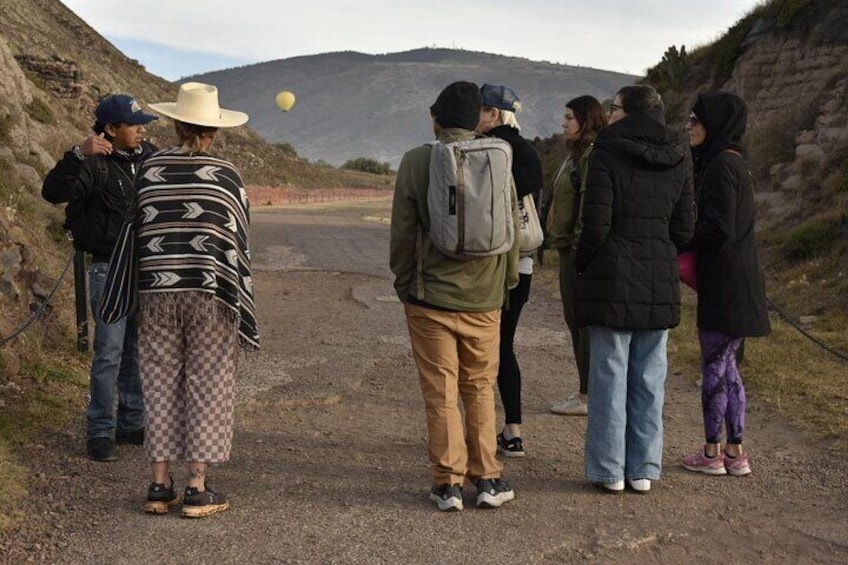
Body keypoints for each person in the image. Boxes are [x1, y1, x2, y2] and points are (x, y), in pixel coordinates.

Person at [130, 82, 259, 517]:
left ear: (174, 123)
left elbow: (137, 232)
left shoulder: (149, 169)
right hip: (210, 294)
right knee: (208, 383)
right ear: (213, 130)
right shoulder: (226, 175)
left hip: (156, 295)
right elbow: (238, 240)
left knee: (159, 383)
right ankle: (197, 488)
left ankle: (158, 486)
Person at [390, 81, 520, 512]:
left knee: (441, 390)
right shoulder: (500, 158)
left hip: (430, 299)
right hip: (485, 299)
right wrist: (504, 286)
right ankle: (488, 478)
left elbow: (403, 233)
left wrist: (405, 285)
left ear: (435, 120)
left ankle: (448, 484)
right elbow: (512, 230)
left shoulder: (416, 161)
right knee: (480, 387)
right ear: (478, 120)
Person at [576, 85, 694, 494]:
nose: (609, 115)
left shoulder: (606, 150)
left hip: (612, 272)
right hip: (659, 274)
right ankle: (643, 469)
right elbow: (684, 226)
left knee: (609, 376)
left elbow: (595, 223)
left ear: (628, 113)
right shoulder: (681, 152)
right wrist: (659, 253)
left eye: (613, 108)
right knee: (650, 378)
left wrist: (584, 264)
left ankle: (609, 470)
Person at [42, 94, 157, 462]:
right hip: (107, 268)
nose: (142, 129)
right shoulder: (93, 163)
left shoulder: (151, 158)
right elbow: (52, 192)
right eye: (134, 123)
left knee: (136, 350)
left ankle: (132, 423)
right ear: (110, 129)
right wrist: (77, 153)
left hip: (144, 269)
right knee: (108, 351)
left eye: (142, 122)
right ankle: (100, 431)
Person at [681, 92, 770, 477]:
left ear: (714, 124)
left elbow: (716, 228)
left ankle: (712, 450)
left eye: (695, 120)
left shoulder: (719, 166)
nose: (689, 127)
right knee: (730, 369)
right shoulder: (738, 164)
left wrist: (681, 239)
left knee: (715, 367)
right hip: (742, 280)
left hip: (723, 283)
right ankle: (735, 452)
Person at [476, 83, 544, 457]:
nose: (475, 117)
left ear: (494, 114)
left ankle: (479, 429)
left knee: (481, 346)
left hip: (488, 264)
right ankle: (512, 430)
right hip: (524, 262)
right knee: (505, 344)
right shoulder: (529, 151)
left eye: (480, 110)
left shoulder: (488, 148)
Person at [547, 96, 607, 416]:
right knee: (575, 321)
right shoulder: (575, 153)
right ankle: (587, 390)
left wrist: (580, 249)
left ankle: (587, 395)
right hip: (567, 248)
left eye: (570, 117)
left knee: (582, 324)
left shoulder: (591, 154)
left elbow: (588, 205)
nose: (564, 123)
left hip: (577, 251)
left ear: (585, 119)